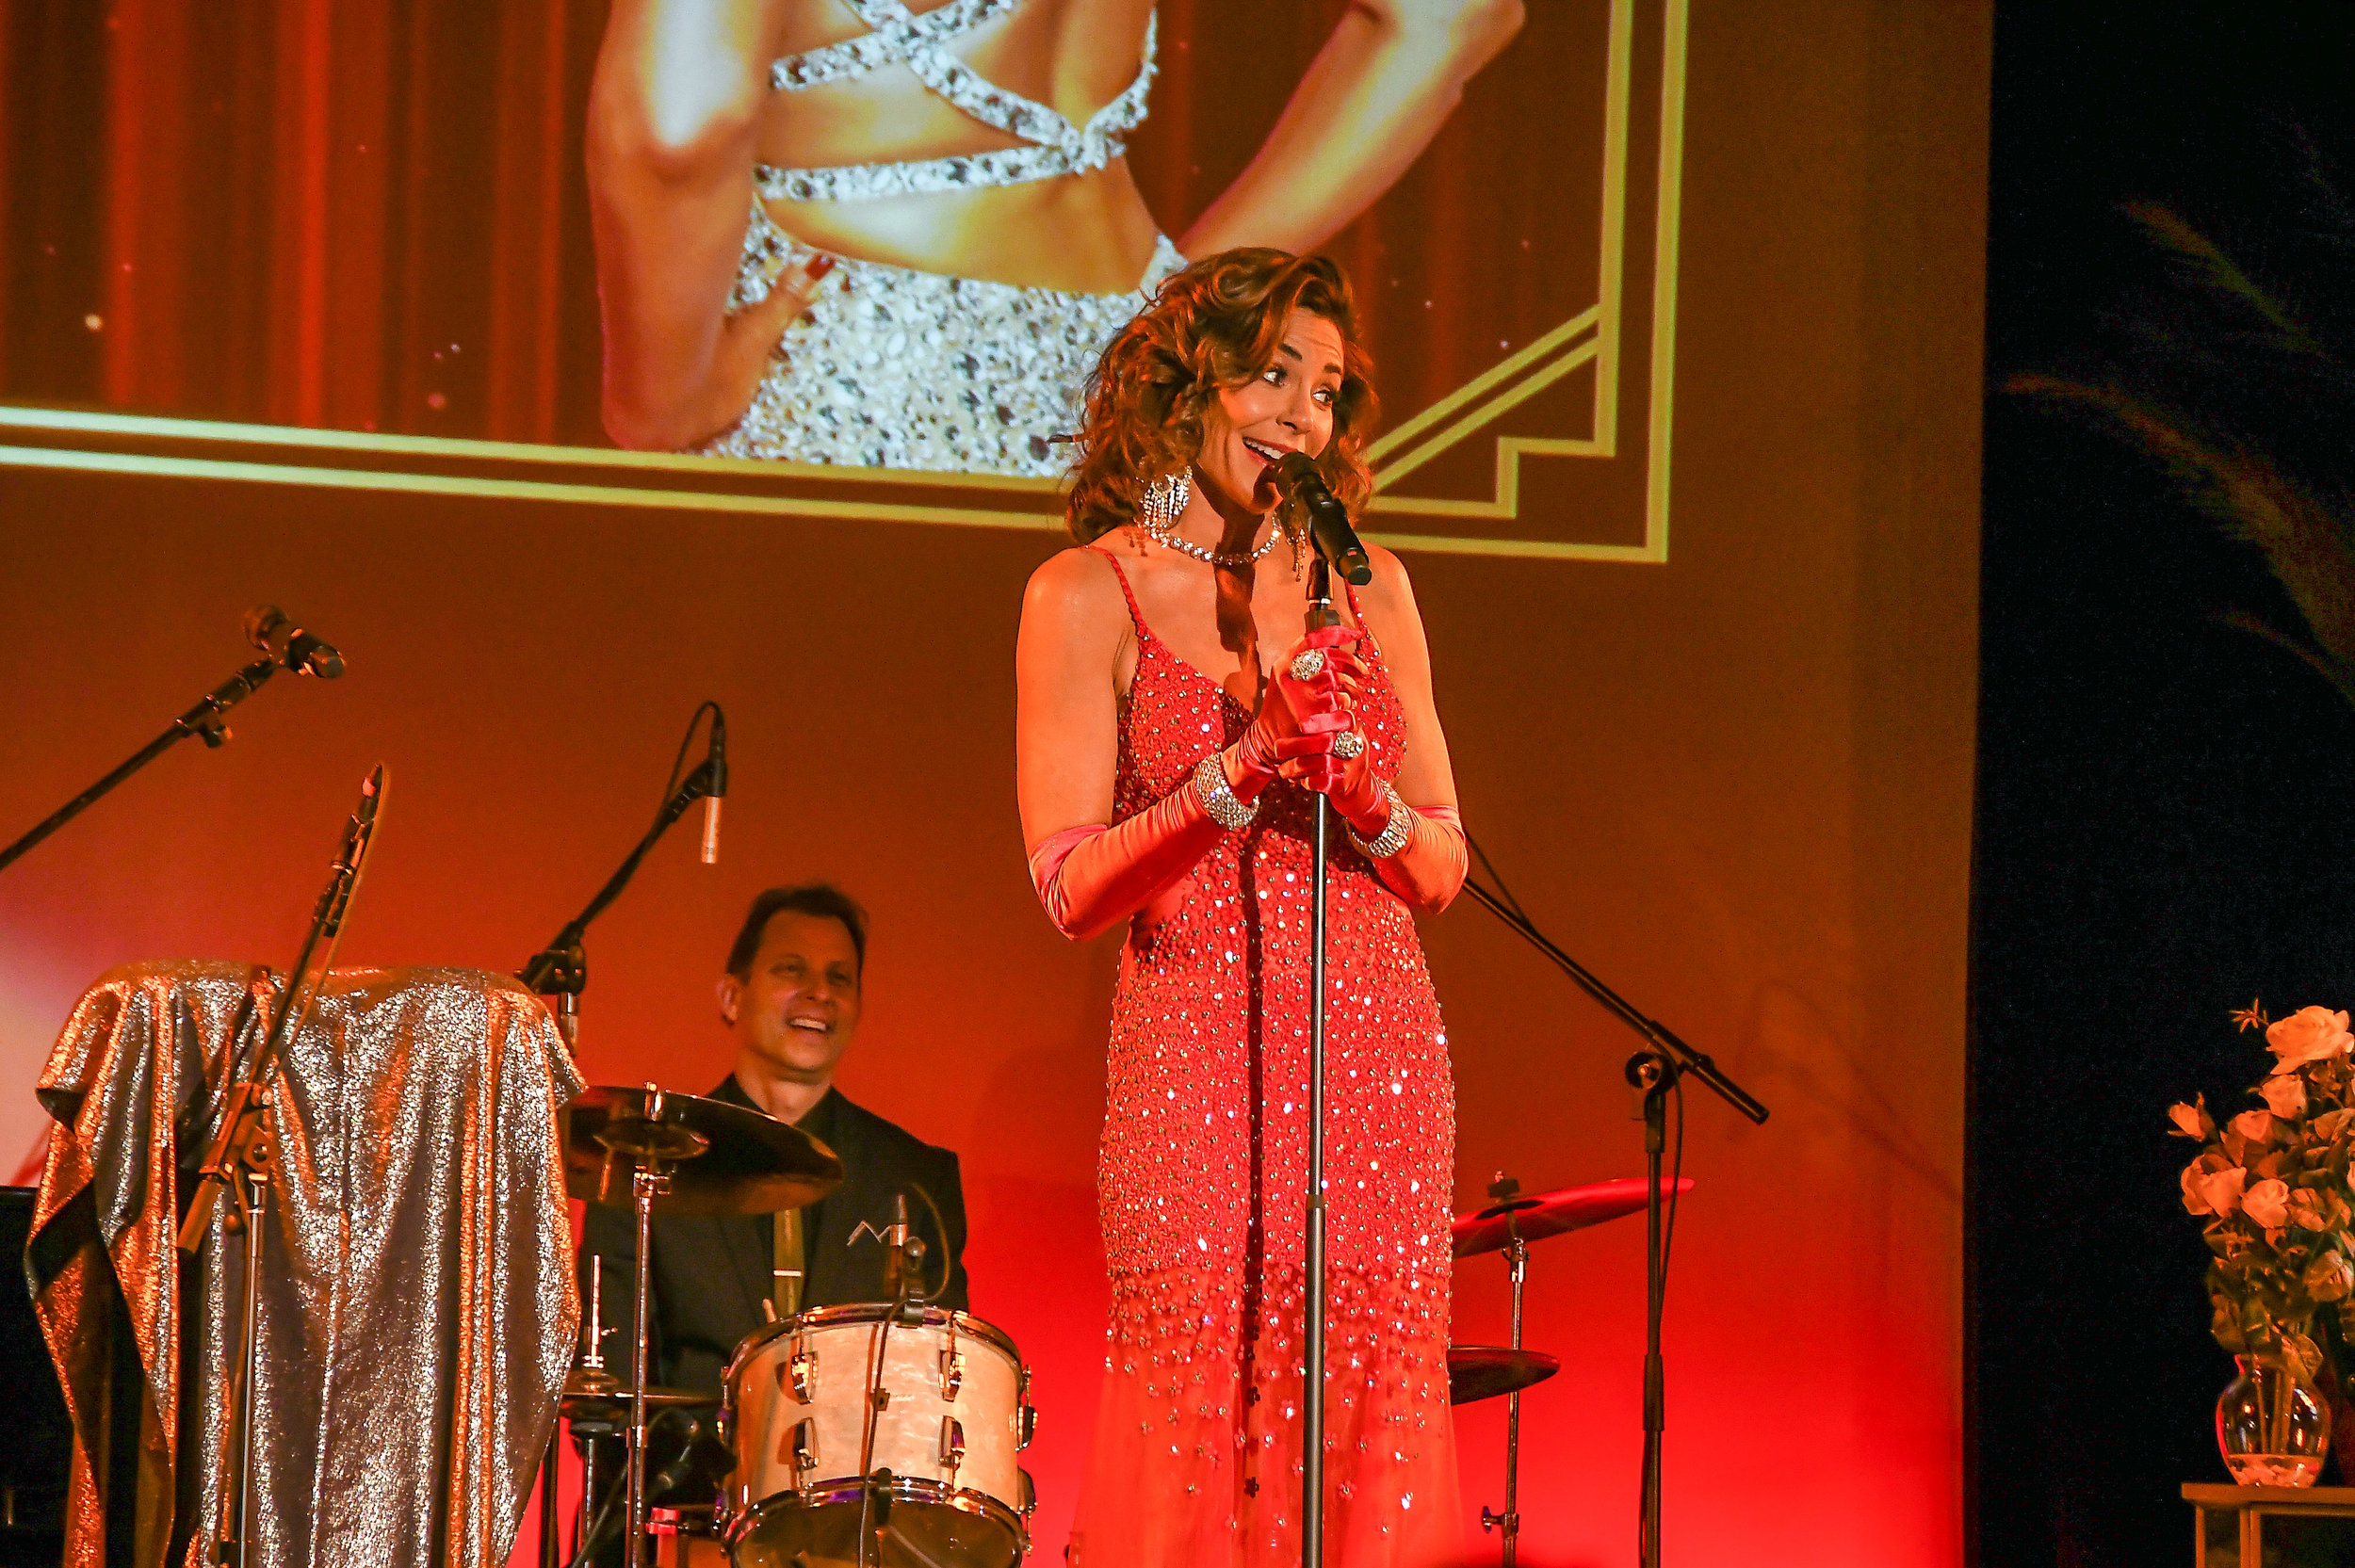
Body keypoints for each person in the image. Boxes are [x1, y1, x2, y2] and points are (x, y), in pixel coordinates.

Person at [1015, 249, 1469, 1563]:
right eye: (1273, 371)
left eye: (1324, 389)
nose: (1299, 413)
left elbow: (1441, 864)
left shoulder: (1367, 584)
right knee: (1196, 1458)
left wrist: (1353, 782)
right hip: (1190, 1075)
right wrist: (1243, 765)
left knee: (1362, 1460)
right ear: (1186, 382)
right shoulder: (1085, 590)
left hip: (1376, 1076)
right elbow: (1068, 886)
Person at [586, 0, 1523, 472]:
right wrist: (1178, 297)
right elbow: (1449, 14)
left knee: (835, 779)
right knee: (1093, 805)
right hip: (1138, 384)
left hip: (850, 383)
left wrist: (662, 402)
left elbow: (679, 125)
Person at [578, 883, 969, 1401]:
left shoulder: (916, 1177)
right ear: (731, 996)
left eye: (839, 978)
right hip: (692, 1476)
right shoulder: (641, 1162)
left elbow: (944, 1390)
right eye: (791, 969)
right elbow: (606, 1397)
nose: (819, 993)